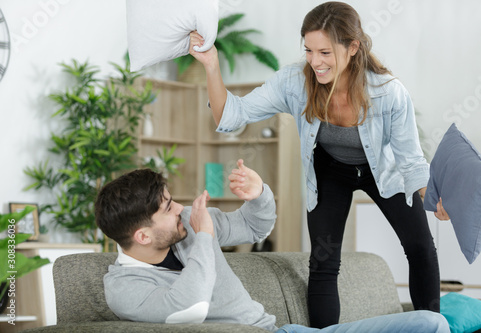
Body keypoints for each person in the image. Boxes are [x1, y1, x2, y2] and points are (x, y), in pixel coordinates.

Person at [188, 1, 450, 329]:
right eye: (309, 50)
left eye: (325, 52)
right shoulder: (294, 83)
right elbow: (230, 116)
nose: (314, 61)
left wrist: (432, 196)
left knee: (421, 247)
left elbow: (411, 162)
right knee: (323, 262)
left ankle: (434, 326)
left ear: (353, 47)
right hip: (329, 171)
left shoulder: (388, 93)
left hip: (382, 170)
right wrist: (211, 65)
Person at [94, 160, 450, 333]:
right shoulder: (125, 289)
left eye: (172, 201)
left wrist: (259, 194)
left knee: (430, 324)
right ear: (142, 236)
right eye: (168, 209)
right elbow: (190, 307)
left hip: (281, 332)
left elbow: (254, 225)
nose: (180, 210)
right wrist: (205, 236)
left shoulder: (187, 223)